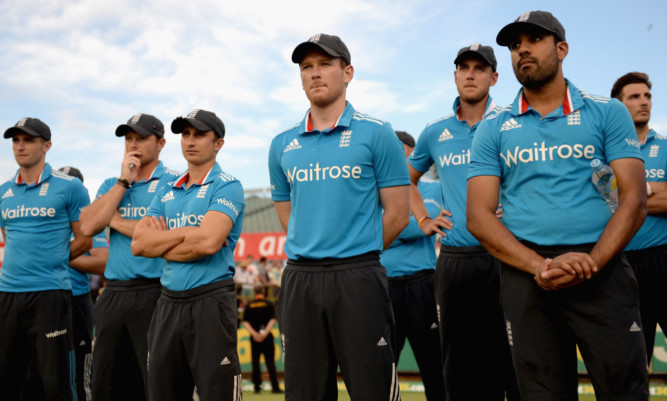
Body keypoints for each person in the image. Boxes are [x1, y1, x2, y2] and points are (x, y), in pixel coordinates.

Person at [467, 11, 649, 400]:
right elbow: (479, 216)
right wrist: (540, 266)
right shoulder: (493, 127)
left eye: (534, 39)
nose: (523, 50)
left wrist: (594, 261)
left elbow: (634, 198)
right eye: (515, 45)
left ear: (562, 48)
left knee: (626, 391)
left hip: (604, 269)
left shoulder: (606, 111)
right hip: (527, 277)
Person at [268, 33, 410, 400]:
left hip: (359, 277)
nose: (314, 74)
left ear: (347, 72)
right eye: (306, 67)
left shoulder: (377, 133)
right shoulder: (282, 144)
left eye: (324, 64)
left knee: (372, 388)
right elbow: (287, 214)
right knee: (304, 391)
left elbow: (398, 212)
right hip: (301, 278)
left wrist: (357, 252)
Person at [408, 44, 519, 401]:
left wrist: (513, 209)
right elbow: (406, 179)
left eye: (479, 68)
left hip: (505, 256)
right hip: (455, 261)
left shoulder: (511, 122)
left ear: (494, 77)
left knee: (513, 360)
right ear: (455, 76)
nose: (470, 74)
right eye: (463, 68)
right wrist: (424, 218)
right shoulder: (434, 131)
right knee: (457, 365)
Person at [131, 109, 245, 401]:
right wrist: (185, 233)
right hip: (168, 303)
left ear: (218, 143)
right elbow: (139, 245)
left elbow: (207, 243)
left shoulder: (227, 185)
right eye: (185, 134)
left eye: (199, 134)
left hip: (210, 301)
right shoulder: (168, 188)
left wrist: (163, 241)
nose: (190, 141)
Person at [79, 113, 179, 401]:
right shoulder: (113, 184)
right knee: (106, 384)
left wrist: (116, 220)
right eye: (128, 138)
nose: (133, 144)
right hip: (113, 293)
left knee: (155, 384)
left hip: (156, 292)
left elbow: (163, 236)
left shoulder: (173, 182)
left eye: (141, 138)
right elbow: (87, 226)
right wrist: (124, 181)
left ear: (160, 143)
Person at [0, 117, 92, 400]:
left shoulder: (70, 187)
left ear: (47, 145)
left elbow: (85, 238)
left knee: (56, 382)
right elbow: (9, 235)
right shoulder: (4, 192)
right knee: (8, 379)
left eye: (28, 140)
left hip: (51, 294)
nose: (20, 146)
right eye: (16, 140)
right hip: (8, 294)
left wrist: (53, 261)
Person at [381, 130, 446, 401]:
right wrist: (422, 224)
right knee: (382, 367)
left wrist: (394, 229)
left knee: (434, 366)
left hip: (423, 286)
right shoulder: (374, 192)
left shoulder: (435, 189)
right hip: (383, 286)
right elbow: (374, 231)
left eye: (406, 157)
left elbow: (444, 223)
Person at [612, 72, 667, 363]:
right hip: (623, 264)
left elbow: (623, 200)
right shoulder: (602, 154)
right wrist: (654, 190)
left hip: (663, 257)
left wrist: (634, 190)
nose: (644, 102)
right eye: (634, 97)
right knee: (632, 364)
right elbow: (607, 202)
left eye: (647, 96)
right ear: (619, 106)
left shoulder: (666, 146)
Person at [59, 166, 109, 401]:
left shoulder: (88, 223)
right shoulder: (50, 220)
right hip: (45, 298)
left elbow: (103, 262)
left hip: (76, 300)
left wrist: (62, 256)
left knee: (80, 373)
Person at [241, 285, 283, 394]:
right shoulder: (268, 304)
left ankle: (257, 387)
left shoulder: (249, 305)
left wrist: (255, 334)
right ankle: (275, 387)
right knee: (270, 363)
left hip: (254, 338)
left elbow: (245, 322)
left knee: (255, 363)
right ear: (264, 292)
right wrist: (264, 333)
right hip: (267, 337)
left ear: (254, 293)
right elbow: (273, 320)